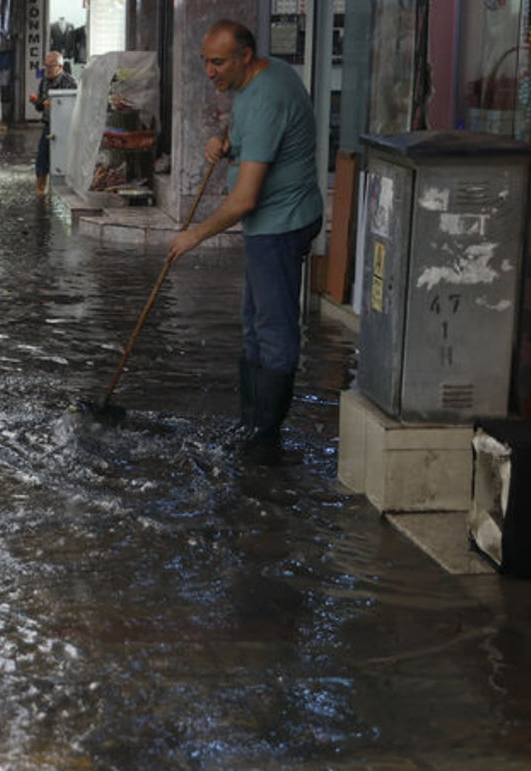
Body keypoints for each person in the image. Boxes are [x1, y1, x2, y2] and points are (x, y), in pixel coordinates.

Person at [166, 20, 322, 450]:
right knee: (253, 325)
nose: (210, 72)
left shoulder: (268, 95)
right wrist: (225, 142)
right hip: (269, 223)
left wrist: (192, 236)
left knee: (273, 330)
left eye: (218, 62)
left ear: (245, 56)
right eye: (205, 62)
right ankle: (250, 425)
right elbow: (252, 134)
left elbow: (244, 199)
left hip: (281, 224)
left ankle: (264, 441)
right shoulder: (254, 83)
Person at [30, 50, 75, 196]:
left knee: (63, 157)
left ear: (60, 67)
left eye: (51, 66)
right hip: (49, 124)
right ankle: (41, 188)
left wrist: (56, 105)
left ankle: (65, 187)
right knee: (42, 157)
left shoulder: (70, 82)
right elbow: (40, 107)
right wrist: (37, 102)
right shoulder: (44, 82)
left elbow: (74, 107)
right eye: (46, 66)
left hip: (66, 127)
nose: (47, 69)